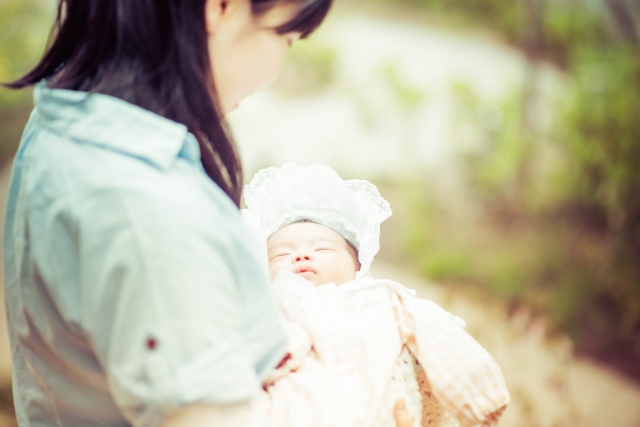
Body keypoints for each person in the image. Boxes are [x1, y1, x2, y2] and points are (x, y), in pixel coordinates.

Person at [1, 1, 416, 426]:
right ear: (220, 7)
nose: (276, 69)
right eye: (284, 37)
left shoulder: (61, 119)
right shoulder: (152, 209)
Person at [242, 163, 512, 427]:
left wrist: (481, 399)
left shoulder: (382, 300)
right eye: (282, 254)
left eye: (322, 249)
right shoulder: (266, 311)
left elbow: (439, 334)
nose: (302, 255)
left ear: (358, 264)